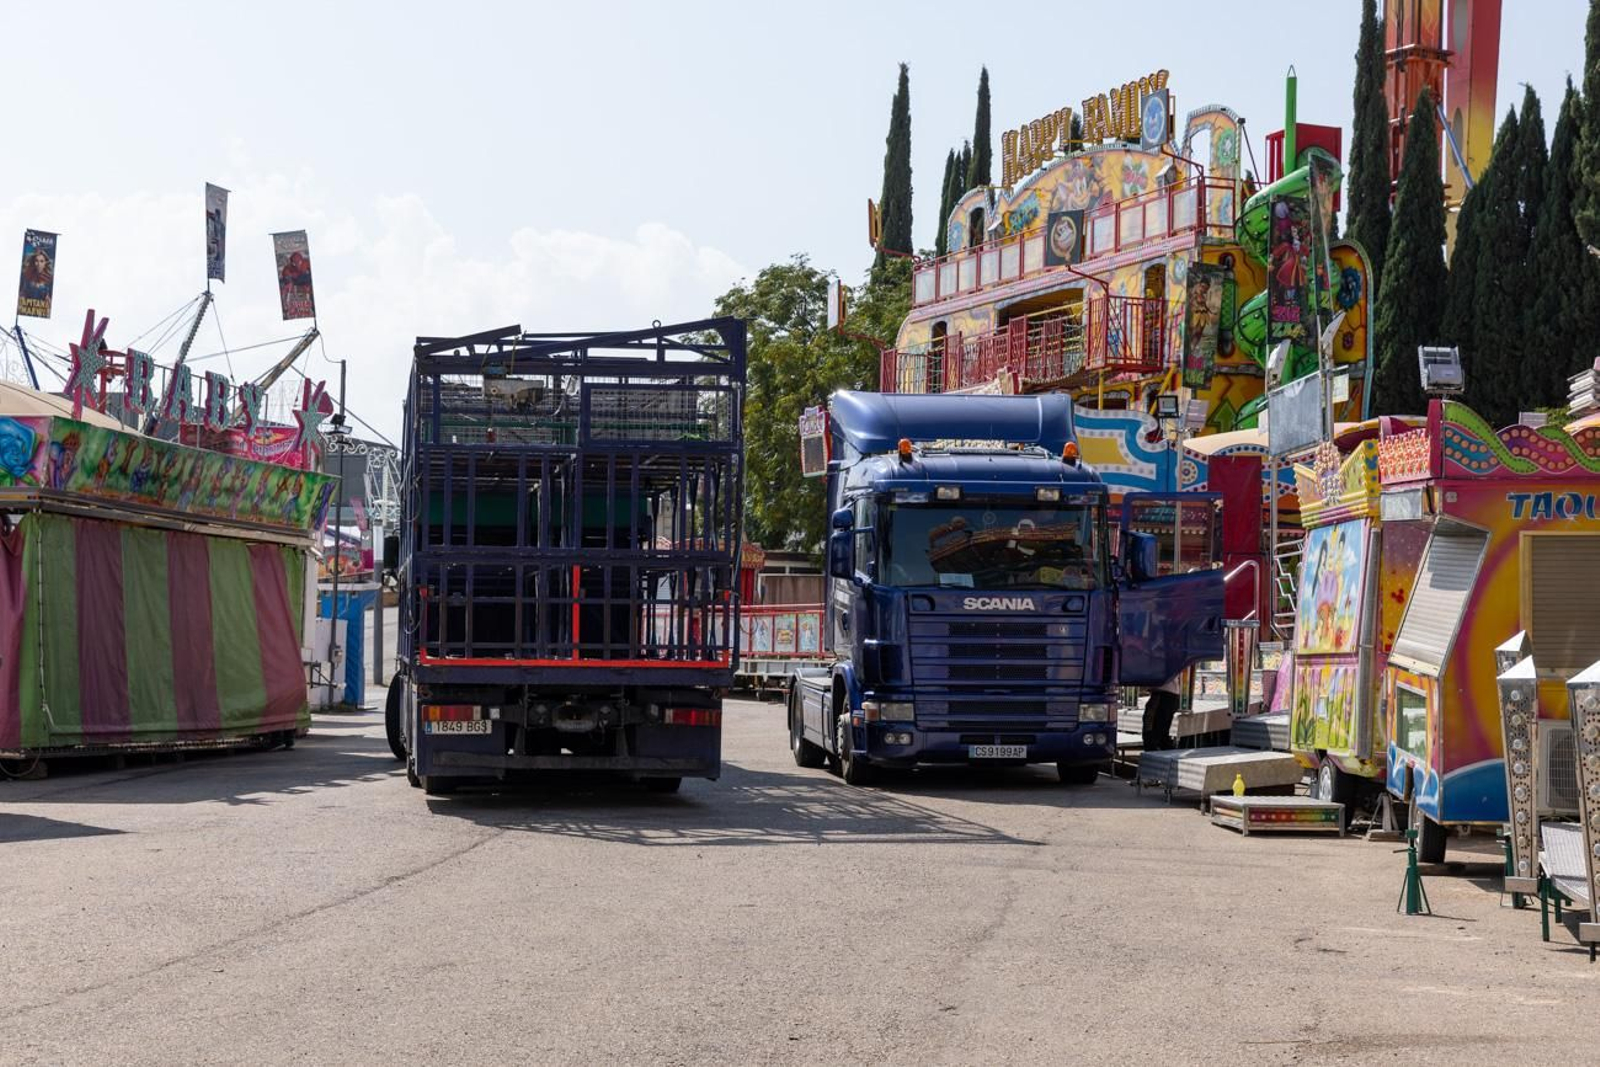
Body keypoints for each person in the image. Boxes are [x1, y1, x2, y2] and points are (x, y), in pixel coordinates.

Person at [1142, 671, 1184, 752]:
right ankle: (1164, 754)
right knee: (1162, 733)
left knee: (1151, 732)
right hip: (1172, 694)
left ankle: (1152, 758)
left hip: (1162, 693)